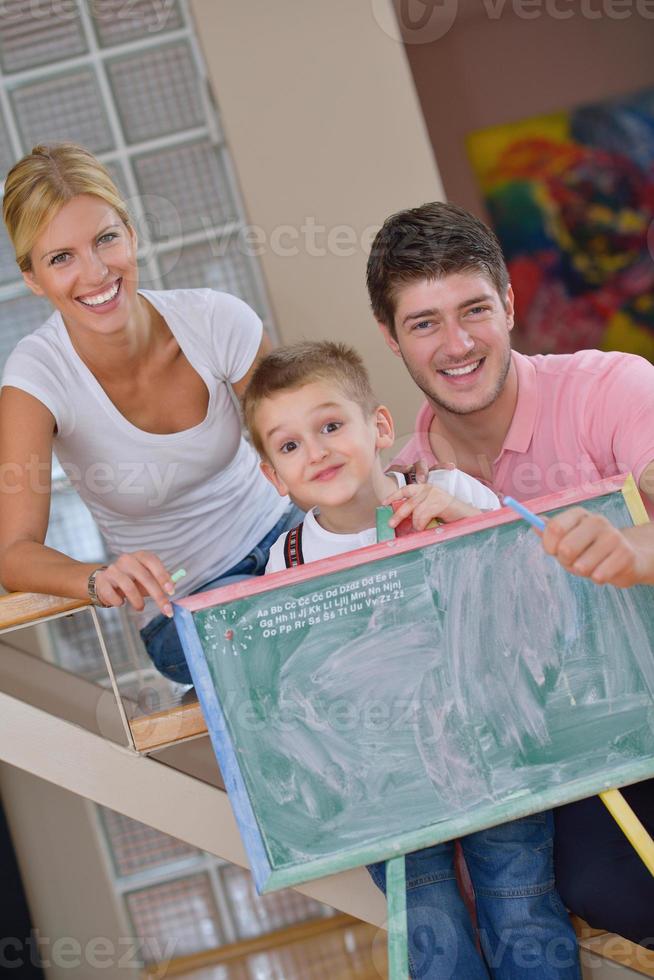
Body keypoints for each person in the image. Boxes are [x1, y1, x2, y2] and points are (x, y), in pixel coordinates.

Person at [242, 339, 582, 980]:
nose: (315, 451)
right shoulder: (286, 567)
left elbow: (544, 582)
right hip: (385, 786)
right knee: (431, 933)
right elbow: (289, 700)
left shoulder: (448, 490)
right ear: (272, 474)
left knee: (521, 906)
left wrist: (468, 524)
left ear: (378, 427)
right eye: (289, 445)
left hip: (498, 750)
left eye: (331, 426)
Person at [366, 201, 654, 946]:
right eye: (425, 322)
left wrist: (637, 550)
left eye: (474, 311)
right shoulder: (402, 493)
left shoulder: (609, 388)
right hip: (569, 762)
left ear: (511, 305)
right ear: (391, 339)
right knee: (609, 887)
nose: (457, 344)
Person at [0, 143, 300, 685]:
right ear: (32, 278)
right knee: (282, 652)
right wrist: (96, 577)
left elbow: (302, 441)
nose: (94, 273)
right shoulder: (36, 378)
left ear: (132, 236)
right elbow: (13, 552)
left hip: (290, 543)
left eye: (105, 239)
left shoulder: (215, 319)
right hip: (188, 607)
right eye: (61, 257)